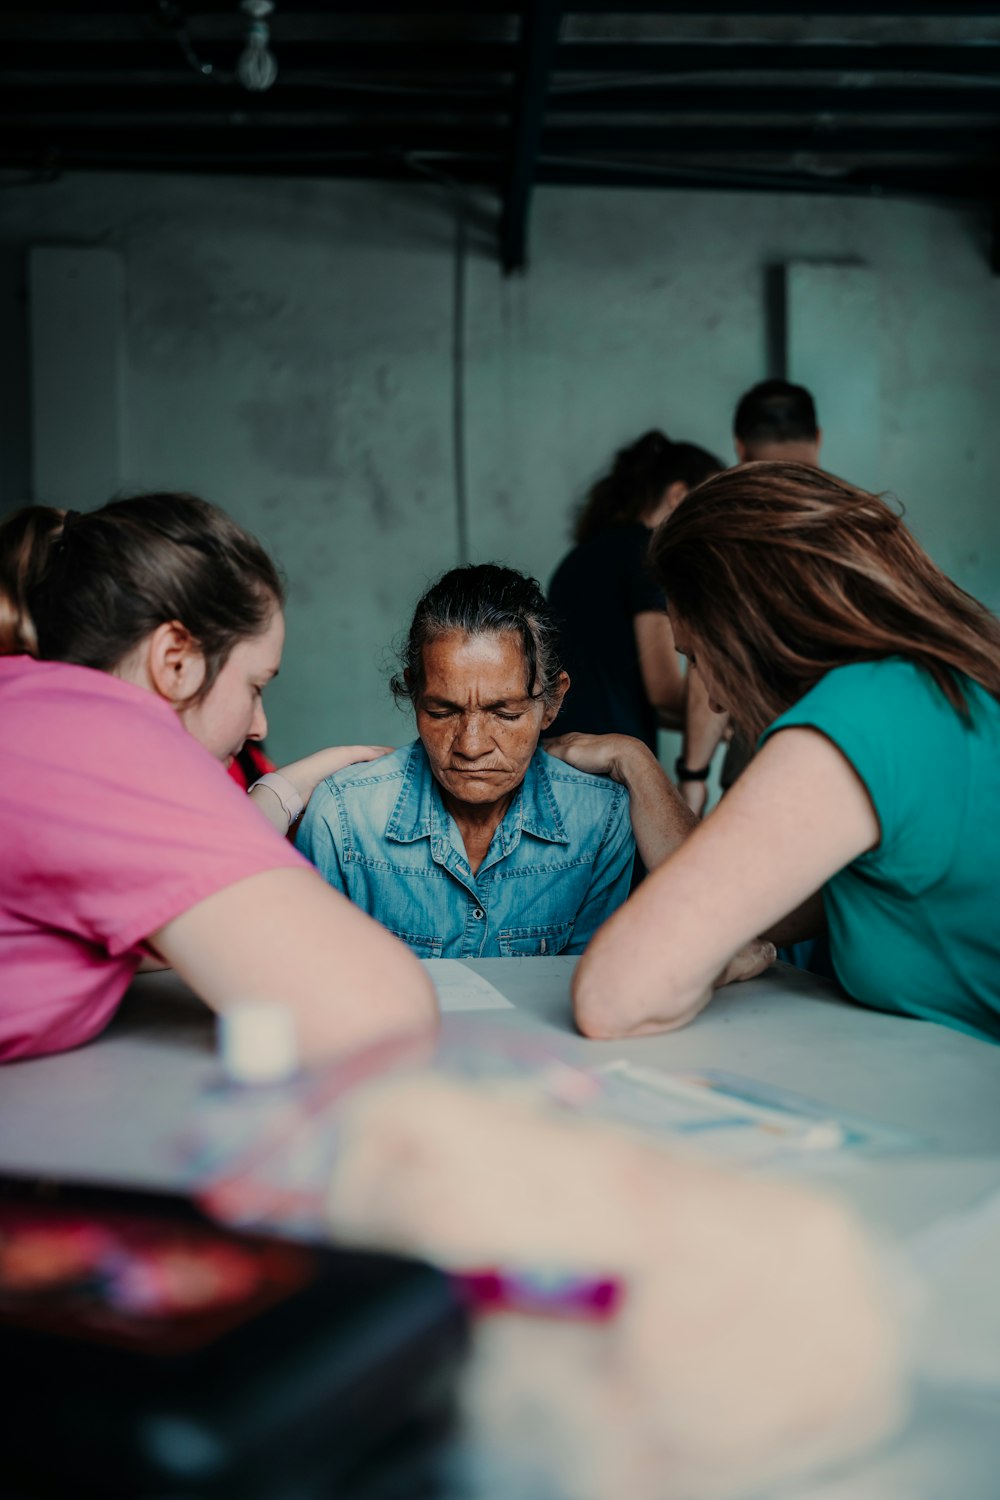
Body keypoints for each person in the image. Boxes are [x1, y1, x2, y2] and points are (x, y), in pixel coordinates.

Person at [550, 462, 1000, 1045]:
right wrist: (637, 763)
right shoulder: (940, 689)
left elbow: (613, 997)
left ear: (743, 632)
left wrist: (707, 961)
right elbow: (768, 905)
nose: (709, 700)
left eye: (696, 656)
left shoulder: (862, 714)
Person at [0, 495, 437, 1063]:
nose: (260, 726)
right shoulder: (101, 738)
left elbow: (169, 922)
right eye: (255, 687)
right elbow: (380, 1011)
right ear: (176, 659)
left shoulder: (33, 711)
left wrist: (282, 788)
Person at [295, 564, 635, 957]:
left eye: (505, 714)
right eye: (442, 712)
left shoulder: (601, 818)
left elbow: (592, 983)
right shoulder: (343, 818)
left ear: (552, 701)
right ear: (415, 694)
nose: (471, 746)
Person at [547, 433, 723, 797]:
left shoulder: (581, 557)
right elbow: (663, 690)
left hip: (560, 758)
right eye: (707, 508)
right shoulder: (647, 552)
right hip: (609, 770)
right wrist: (725, 712)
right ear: (677, 496)